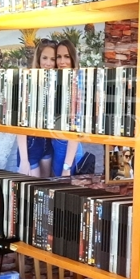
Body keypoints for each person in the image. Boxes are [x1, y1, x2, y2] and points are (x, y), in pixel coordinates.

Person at [16, 40, 57, 176]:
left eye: (52, 59)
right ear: (38, 59)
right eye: (45, 58)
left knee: (45, 186)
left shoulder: (56, 83)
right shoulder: (28, 82)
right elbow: (20, 122)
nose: (48, 63)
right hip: (30, 144)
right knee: (32, 186)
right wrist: (24, 159)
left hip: (48, 143)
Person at [52, 39, 90, 176]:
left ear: (73, 58)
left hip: (68, 152)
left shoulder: (77, 82)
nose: (62, 61)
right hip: (56, 146)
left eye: (67, 56)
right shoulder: (58, 79)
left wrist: (67, 166)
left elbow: (76, 127)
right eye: (59, 57)